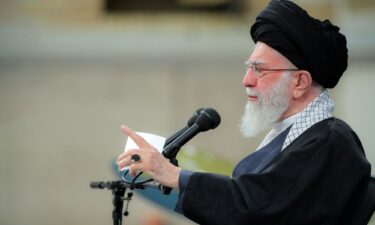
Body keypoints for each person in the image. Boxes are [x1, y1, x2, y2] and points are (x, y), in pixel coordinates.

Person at [116, 0, 372, 224]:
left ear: (300, 82)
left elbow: (257, 207)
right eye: (249, 68)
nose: (247, 80)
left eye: (259, 70)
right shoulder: (291, 136)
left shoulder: (330, 142)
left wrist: (175, 176)